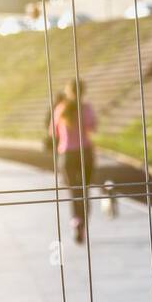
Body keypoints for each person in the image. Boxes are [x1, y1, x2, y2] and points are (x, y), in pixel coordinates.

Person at [50, 79, 97, 243]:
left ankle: (75, 220)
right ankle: (82, 224)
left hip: (67, 155)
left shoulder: (60, 109)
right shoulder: (86, 108)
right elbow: (93, 127)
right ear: (84, 91)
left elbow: (53, 133)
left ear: (67, 91)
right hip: (85, 153)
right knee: (85, 191)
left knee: (73, 192)